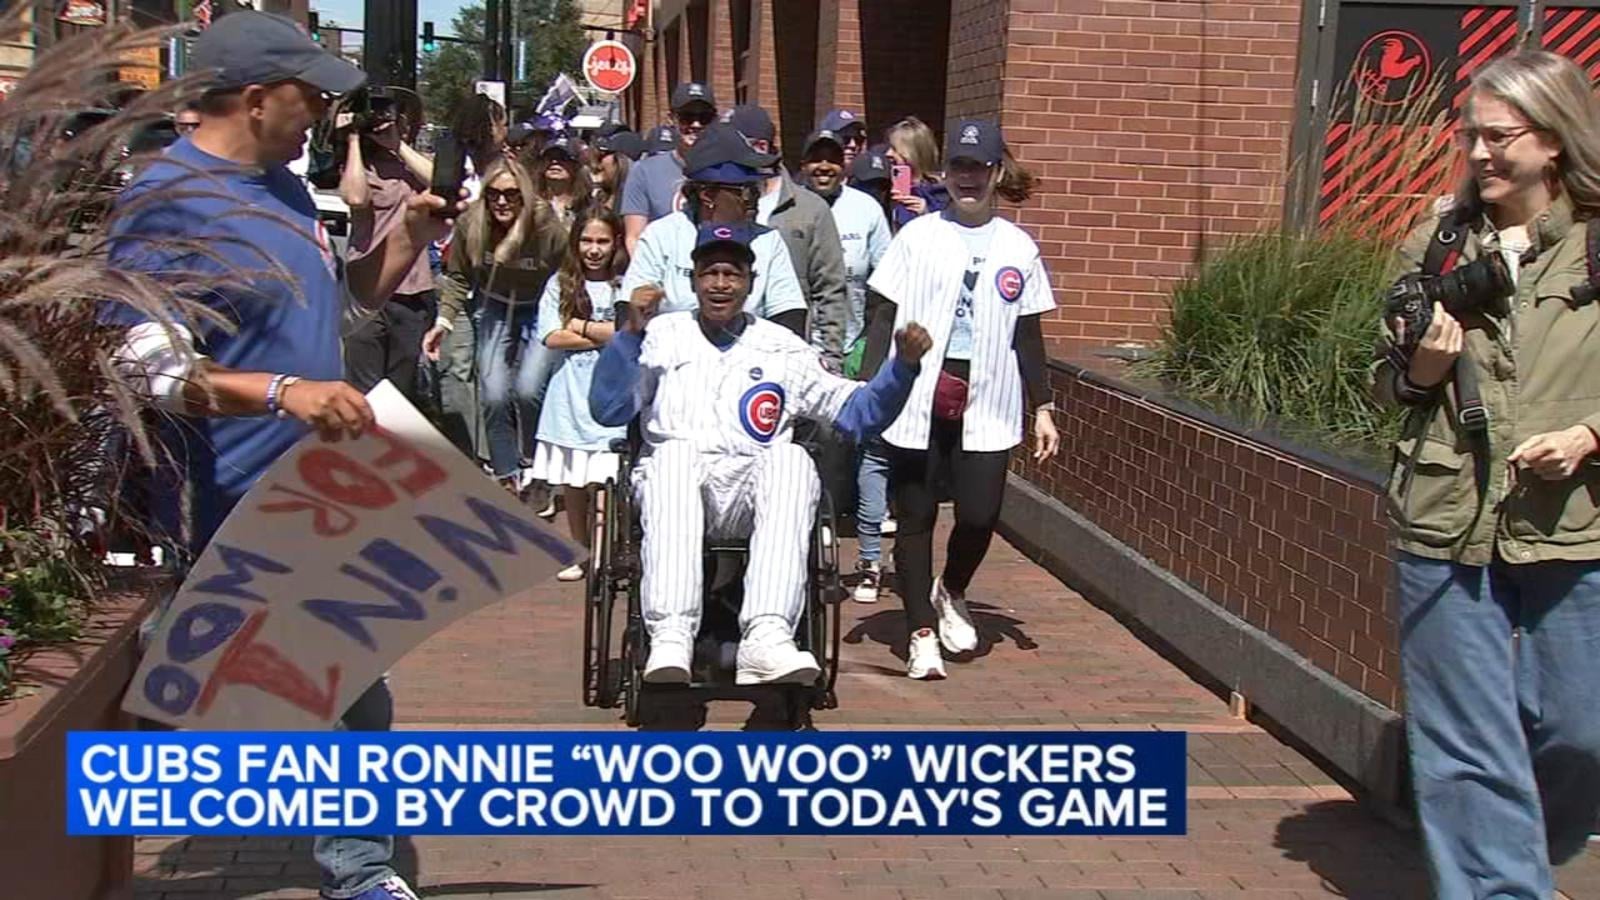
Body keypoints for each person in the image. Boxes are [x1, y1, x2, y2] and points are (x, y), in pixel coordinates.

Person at [103, 13, 456, 900]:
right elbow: (141, 359)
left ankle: (356, 868)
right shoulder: (167, 198)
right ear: (256, 99)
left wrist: (406, 239)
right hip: (225, 486)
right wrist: (277, 394)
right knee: (331, 691)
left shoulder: (289, 193)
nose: (325, 110)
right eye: (309, 92)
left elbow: (332, 308)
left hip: (314, 485)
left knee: (348, 687)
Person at [1371, 50, 1600, 899]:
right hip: (1445, 514)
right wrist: (1424, 372)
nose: (1477, 154)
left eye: (1498, 137)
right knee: (1465, 740)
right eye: (1470, 135)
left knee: (1582, 730)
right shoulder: (1435, 242)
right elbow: (1379, 379)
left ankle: (1524, 848)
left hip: (1576, 520)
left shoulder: (1594, 247)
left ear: (1555, 138)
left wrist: (1586, 434)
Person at [589, 221, 932, 684]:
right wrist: (629, 332)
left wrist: (903, 368)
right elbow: (608, 409)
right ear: (692, 280)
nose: (720, 284)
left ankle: (767, 638)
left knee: (791, 459)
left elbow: (857, 413)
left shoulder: (781, 347)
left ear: (751, 283)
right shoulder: (661, 334)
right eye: (709, 273)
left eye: (732, 274)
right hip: (674, 483)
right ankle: (671, 634)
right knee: (673, 460)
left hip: (751, 488)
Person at [863, 119, 1060, 681]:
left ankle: (951, 590)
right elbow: (883, 313)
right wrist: (873, 387)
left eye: (980, 167)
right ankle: (921, 632)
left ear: (997, 172)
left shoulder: (1017, 247)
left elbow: (1028, 334)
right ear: (944, 173)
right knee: (916, 514)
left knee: (979, 513)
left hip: (989, 395)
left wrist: (1043, 406)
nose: (968, 178)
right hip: (917, 389)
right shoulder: (918, 236)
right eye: (959, 166)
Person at [425, 157, 566, 494]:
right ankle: (506, 474)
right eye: (494, 194)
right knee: (493, 392)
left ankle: (536, 465)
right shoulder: (471, 223)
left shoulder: (545, 227)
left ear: (525, 195)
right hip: (493, 305)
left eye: (512, 194)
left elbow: (567, 272)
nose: (502, 201)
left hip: (538, 307)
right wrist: (443, 322)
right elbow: (458, 277)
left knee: (529, 390)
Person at [800, 127, 896, 602]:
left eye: (833, 160)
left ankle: (842, 526)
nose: (824, 167)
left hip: (854, 343)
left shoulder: (866, 210)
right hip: (798, 345)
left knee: (846, 442)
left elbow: (885, 284)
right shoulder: (790, 208)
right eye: (816, 159)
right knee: (804, 442)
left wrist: (870, 350)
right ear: (803, 164)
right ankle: (813, 523)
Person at [623, 122, 808, 332]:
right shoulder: (662, 235)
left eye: (757, 189)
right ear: (707, 195)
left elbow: (790, 319)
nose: (755, 199)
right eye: (746, 191)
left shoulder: (768, 240)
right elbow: (628, 314)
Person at [530, 210, 629, 581]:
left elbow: (630, 331)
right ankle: (581, 552)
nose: (594, 249)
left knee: (604, 478)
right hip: (569, 392)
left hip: (611, 391)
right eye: (587, 241)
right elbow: (551, 335)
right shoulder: (561, 283)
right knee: (573, 480)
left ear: (615, 243)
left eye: (602, 241)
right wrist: (604, 334)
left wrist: (580, 324)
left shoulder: (624, 284)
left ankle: (605, 553)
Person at [726, 104, 850, 368]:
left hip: (789, 350)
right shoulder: (720, 203)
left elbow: (830, 288)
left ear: (767, 146)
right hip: (727, 347)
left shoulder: (810, 208)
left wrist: (830, 357)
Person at [338, 91, 437, 402]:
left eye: (386, 115)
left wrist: (398, 146)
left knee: (400, 389)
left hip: (412, 289)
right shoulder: (358, 166)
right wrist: (354, 138)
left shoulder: (411, 164)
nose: (380, 122)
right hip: (368, 288)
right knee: (363, 386)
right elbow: (355, 198)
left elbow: (442, 181)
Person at [621, 82, 717, 252]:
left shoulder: (727, 170)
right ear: (671, 119)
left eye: (704, 118)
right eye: (687, 116)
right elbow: (635, 237)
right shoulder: (644, 172)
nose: (696, 124)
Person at [885, 116, 950, 230]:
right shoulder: (883, 184)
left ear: (912, 152)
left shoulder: (940, 193)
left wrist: (927, 213)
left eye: (894, 148)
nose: (888, 153)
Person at [529, 134, 591, 229]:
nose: (554, 162)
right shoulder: (530, 202)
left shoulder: (587, 205)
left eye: (562, 158)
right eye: (549, 157)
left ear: (576, 166)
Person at [592, 129, 644, 214]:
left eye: (602, 156)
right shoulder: (600, 197)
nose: (599, 166)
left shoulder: (635, 201)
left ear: (620, 160)